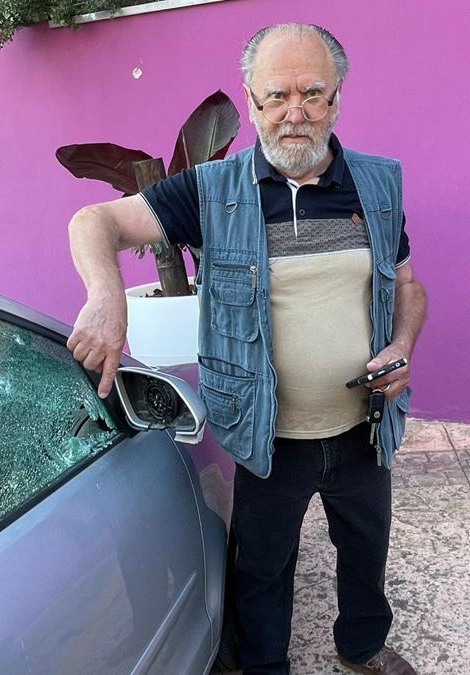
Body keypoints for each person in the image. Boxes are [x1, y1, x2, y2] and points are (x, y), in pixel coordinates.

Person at [66, 23, 426, 675]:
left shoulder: (377, 186)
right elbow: (94, 222)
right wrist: (106, 294)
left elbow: (406, 285)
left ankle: (363, 644)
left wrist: (402, 343)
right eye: (277, 94)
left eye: (313, 93)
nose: (296, 112)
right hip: (270, 436)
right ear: (252, 99)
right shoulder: (211, 192)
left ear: (337, 97)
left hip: (362, 427)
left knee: (367, 547)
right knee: (262, 566)